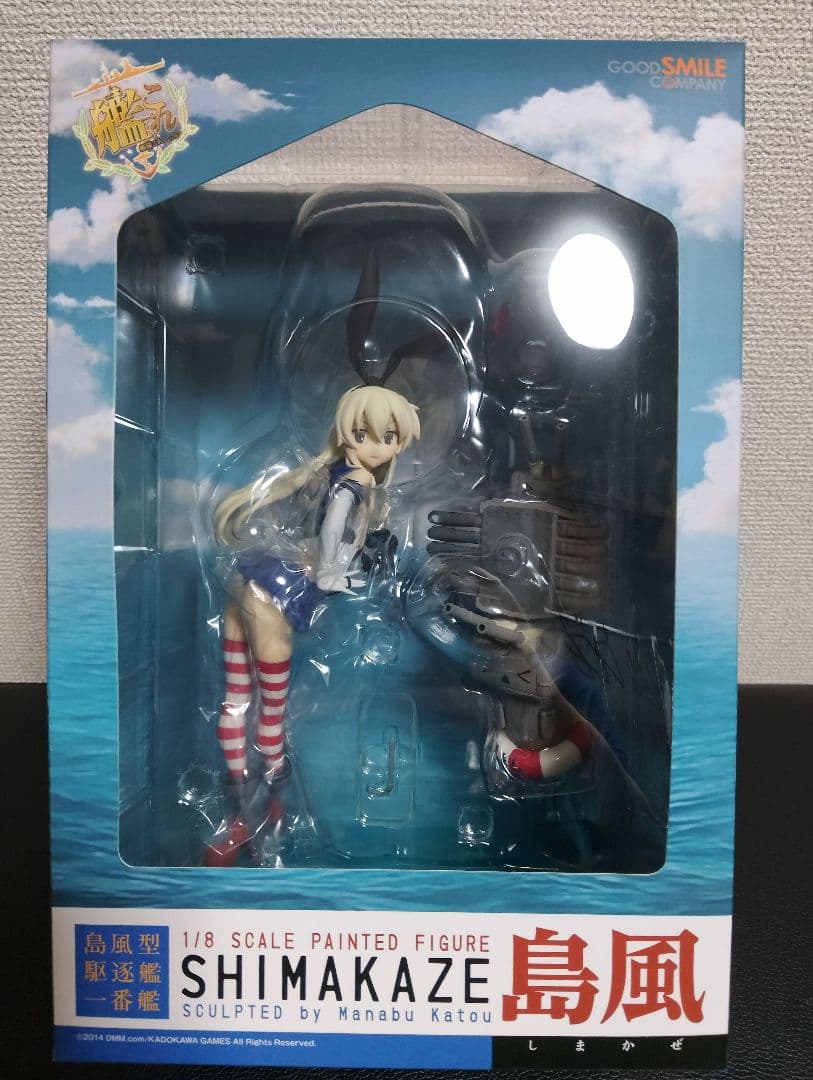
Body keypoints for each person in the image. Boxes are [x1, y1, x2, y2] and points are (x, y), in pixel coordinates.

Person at [212, 384, 421, 787]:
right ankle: (271, 770)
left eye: (388, 436)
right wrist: (328, 573)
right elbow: (333, 524)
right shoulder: (356, 480)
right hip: (278, 590)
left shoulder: (332, 471)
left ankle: (237, 779)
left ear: (399, 443)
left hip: (254, 575)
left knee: (237, 695)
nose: (375, 446)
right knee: (270, 706)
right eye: (362, 434)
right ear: (344, 433)